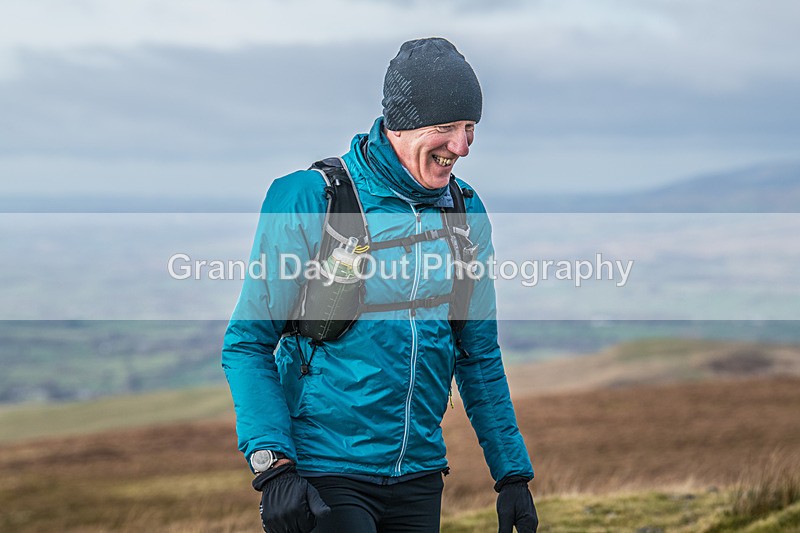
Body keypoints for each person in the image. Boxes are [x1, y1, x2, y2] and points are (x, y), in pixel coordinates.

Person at [222, 37, 538, 533]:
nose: (461, 146)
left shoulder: (464, 211)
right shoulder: (312, 197)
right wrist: (274, 467)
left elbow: (477, 351)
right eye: (446, 128)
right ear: (402, 124)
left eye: (470, 128)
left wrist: (511, 474)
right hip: (325, 473)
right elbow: (248, 343)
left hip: (419, 474)